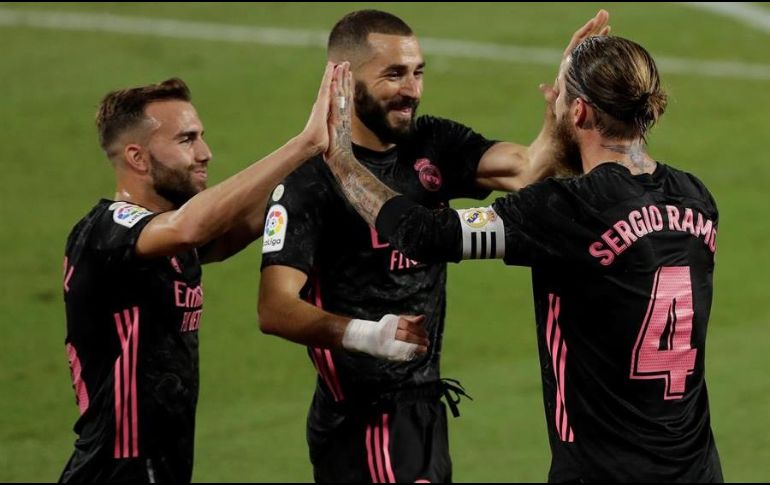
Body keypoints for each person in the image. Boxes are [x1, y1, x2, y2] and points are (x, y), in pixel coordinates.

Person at [323, 34, 723, 482]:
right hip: (698, 470)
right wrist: (574, 88)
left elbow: (424, 235)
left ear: (579, 112)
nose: (552, 101)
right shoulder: (696, 199)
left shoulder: (565, 209)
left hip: (602, 473)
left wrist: (341, 161)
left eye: (560, 96)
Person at [258, 9, 610, 483]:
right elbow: (274, 307)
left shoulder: (432, 143)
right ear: (343, 81)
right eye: (394, 74)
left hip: (423, 410)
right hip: (364, 423)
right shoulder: (311, 180)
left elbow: (526, 169)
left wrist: (566, 95)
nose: (413, 89)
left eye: (418, 72)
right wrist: (367, 334)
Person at [59, 65, 427, 483]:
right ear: (137, 158)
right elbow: (191, 227)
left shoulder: (167, 244)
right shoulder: (107, 230)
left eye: (201, 136)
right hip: (115, 471)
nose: (205, 152)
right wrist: (303, 144)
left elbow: (237, 224)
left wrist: (328, 161)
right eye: (186, 140)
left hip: (157, 469)